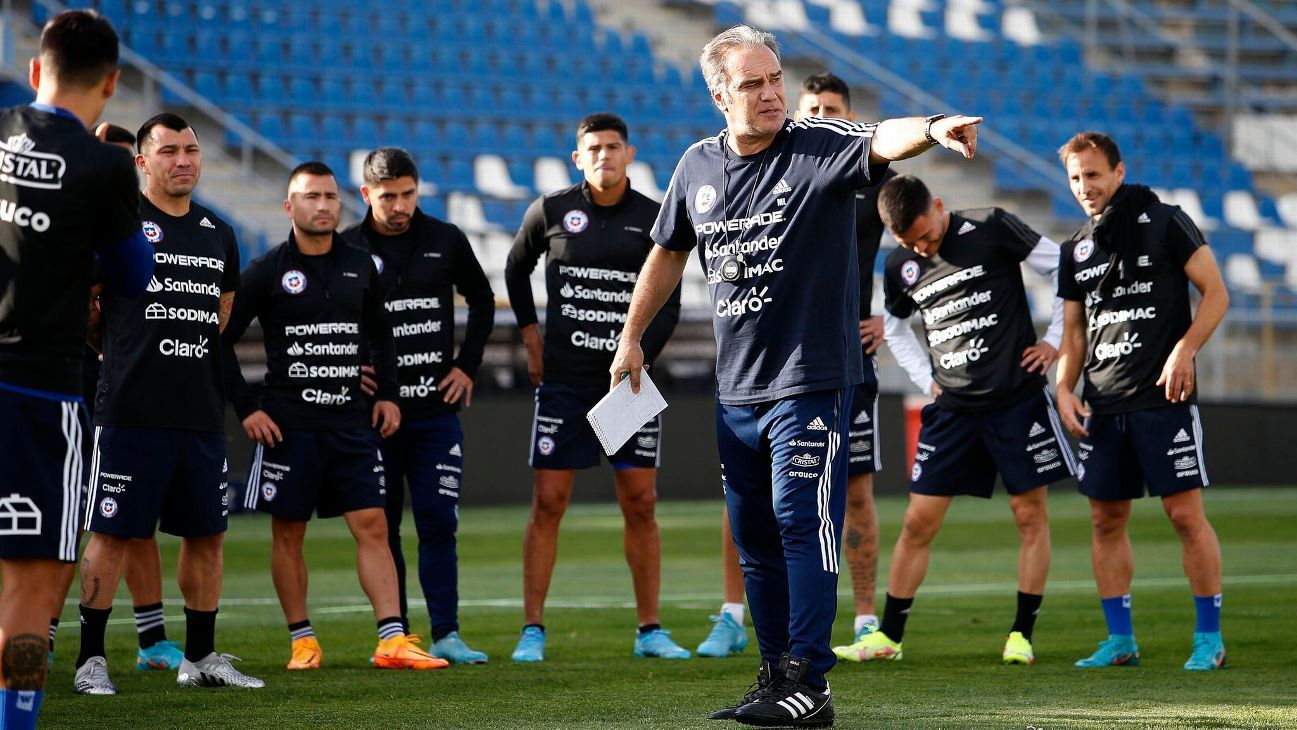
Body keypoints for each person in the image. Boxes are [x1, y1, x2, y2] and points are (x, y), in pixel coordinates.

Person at [609, 24, 982, 726]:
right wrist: (631, 337)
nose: (771, 93)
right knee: (752, 535)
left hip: (811, 379)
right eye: (752, 83)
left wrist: (933, 127)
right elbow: (666, 253)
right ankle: (775, 674)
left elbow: (880, 139)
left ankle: (810, 680)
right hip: (737, 386)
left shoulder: (819, 145)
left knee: (797, 523)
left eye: (774, 78)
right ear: (720, 95)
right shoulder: (695, 166)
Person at [699, 71, 899, 660]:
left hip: (836, 363)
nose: (818, 117)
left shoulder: (855, 176)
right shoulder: (770, 166)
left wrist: (889, 316)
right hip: (757, 369)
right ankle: (736, 615)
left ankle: (858, 624)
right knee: (752, 508)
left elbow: (916, 253)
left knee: (845, 498)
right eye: (812, 108)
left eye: (832, 110)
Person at [221, 162, 444, 671]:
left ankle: (392, 639)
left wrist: (387, 394)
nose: (322, 206)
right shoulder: (266, 270)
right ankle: (303, 641)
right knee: (289, 533)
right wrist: (248, 408)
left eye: (328, 197)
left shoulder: (360, 264)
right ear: (289, 207)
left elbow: (382, 333)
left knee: (373, 525)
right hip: (288, 427)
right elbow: (220, 342)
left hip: (351, 422)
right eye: (309, 197)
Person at [843, 174, 1070, 668]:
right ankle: (888, 636)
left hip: (1017, 400)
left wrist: (1055, 339)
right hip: (954, 409)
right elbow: (896, 329)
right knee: (918, 521)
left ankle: (1021, 635)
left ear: (940, 206)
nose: (921, 247)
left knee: (1029, 516)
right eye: (910, 242)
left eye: (926, 236)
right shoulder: (901, 263)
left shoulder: (992, 226)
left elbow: (1065, 268)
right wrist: (928, 379)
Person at [73, 113, 265, 694]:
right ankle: (90, 659)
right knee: (112, 533)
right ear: (142, 162)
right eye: (168, 152)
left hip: (201, 410)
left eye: (191, 150)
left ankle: (201, 658)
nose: (183, 161)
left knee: (206, 536)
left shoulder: (219, 232)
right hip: (131, 407)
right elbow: (88, 309)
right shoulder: (119, 226)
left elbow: (221, 314)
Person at [0, 9, 153, 727]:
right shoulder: (105, 163)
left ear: (36, 70)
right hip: (40, 393)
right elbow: (133, 274)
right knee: (32, 593)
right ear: (113, 84)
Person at [504, 112, 684, 663]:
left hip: (627, 385)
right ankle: (533, 629)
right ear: (577, 158)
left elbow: (670, 301)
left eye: (614, 146)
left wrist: (640, 359)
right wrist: (532, 338)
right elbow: (515, 270)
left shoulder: (655, 219)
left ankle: (650, 629)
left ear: (630, 154)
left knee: (640, 502)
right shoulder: (552, 210)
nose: (604, 155)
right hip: (564, 381)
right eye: (593, 148)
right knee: (549, 501)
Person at [1054, 132, 1229, 671]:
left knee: (1183, 515)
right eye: (1076, 178)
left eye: (1094, 174)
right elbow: (1075, 336)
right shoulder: (1075, 249)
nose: (1086, 186)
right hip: (1103, 406)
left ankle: (1208, 638)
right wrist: (1063, 388)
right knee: (1105, 521)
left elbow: (1217, 293)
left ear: (1119, 172)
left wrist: (1185, 349)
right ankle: (1120, 640)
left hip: (1164, 398)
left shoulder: (1167, 220)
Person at [340, 147, 495, 664]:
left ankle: (447, 632)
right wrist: (348, 367)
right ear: (366, 195)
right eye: (388, 197)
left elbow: (483, 299)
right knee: (382, 528)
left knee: (437, 521)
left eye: (407, 194)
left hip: (434, 412)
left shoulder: (445, 239)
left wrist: (466, 365)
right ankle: (397, 635)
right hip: (373, 416)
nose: (400, 205)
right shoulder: (347, 249)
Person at [47, 123, 184, 673]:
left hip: (126, 388)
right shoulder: (74, 221)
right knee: (70, 519)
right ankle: (45, 631)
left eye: (125, 160)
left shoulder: (139, 226)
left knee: (135, 517)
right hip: (65, 385)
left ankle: (151, 639)